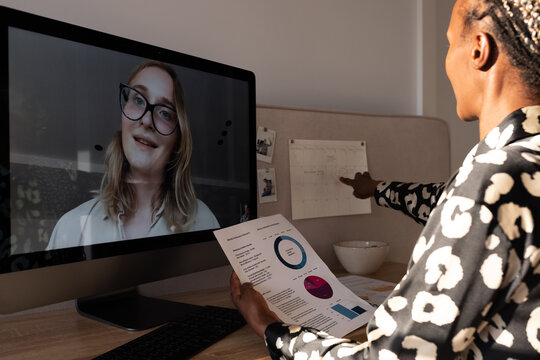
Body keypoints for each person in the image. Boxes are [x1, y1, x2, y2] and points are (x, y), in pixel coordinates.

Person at [230, 0, 540, 358]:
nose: (447, 62)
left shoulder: (495, 179)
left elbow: (390, 356)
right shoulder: (521, 167)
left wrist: (269, 327)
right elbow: (451, 203)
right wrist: (377, 190)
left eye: (450, 42)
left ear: (478, 50)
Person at [47, 61, 219, 249]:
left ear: (178, 140)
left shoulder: (204, 221)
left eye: (164, 113)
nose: (146, 120)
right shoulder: (70, 229)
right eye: (138, 100)